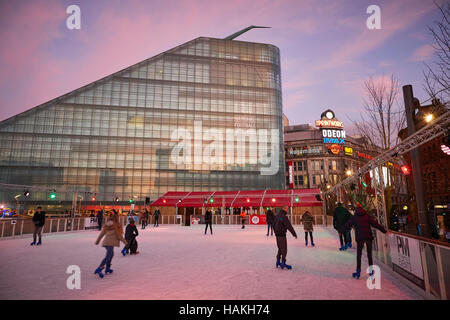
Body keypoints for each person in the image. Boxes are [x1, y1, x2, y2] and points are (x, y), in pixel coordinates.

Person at [340, 203, 388, 279]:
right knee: (369, 255)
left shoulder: (354, 217)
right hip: (368, 237)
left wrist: (341, 230)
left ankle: (358, 272)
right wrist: (384, 231)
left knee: (359, 255)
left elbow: (347, 225)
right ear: (362, 209)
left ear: (356, 210)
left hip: (360, 238)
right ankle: (371, 271)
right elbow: (375, 224)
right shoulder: (367, 216)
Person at [94, 213, 127, 278]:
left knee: (111, 255)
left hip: (106, 242)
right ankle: (100, 268)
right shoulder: (116, 226)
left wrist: (98, 241)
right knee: (109, 255)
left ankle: (107, 268)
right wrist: (125, 242)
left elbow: (102, 234)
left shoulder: (107, 224)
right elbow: (119, 236)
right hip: (110, 243)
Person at [273, 205, 297, 270]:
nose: (287, 210)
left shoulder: (277, 215)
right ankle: (283, 263)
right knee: (284, 249)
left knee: (280, 248)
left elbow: (273, 224)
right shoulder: (284, 216)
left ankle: (278, 261)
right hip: (282, 235)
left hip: (277, 235)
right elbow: (289, 226)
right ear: (284, 209)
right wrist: (294, 234)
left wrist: (275, 232)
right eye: (287, 209)